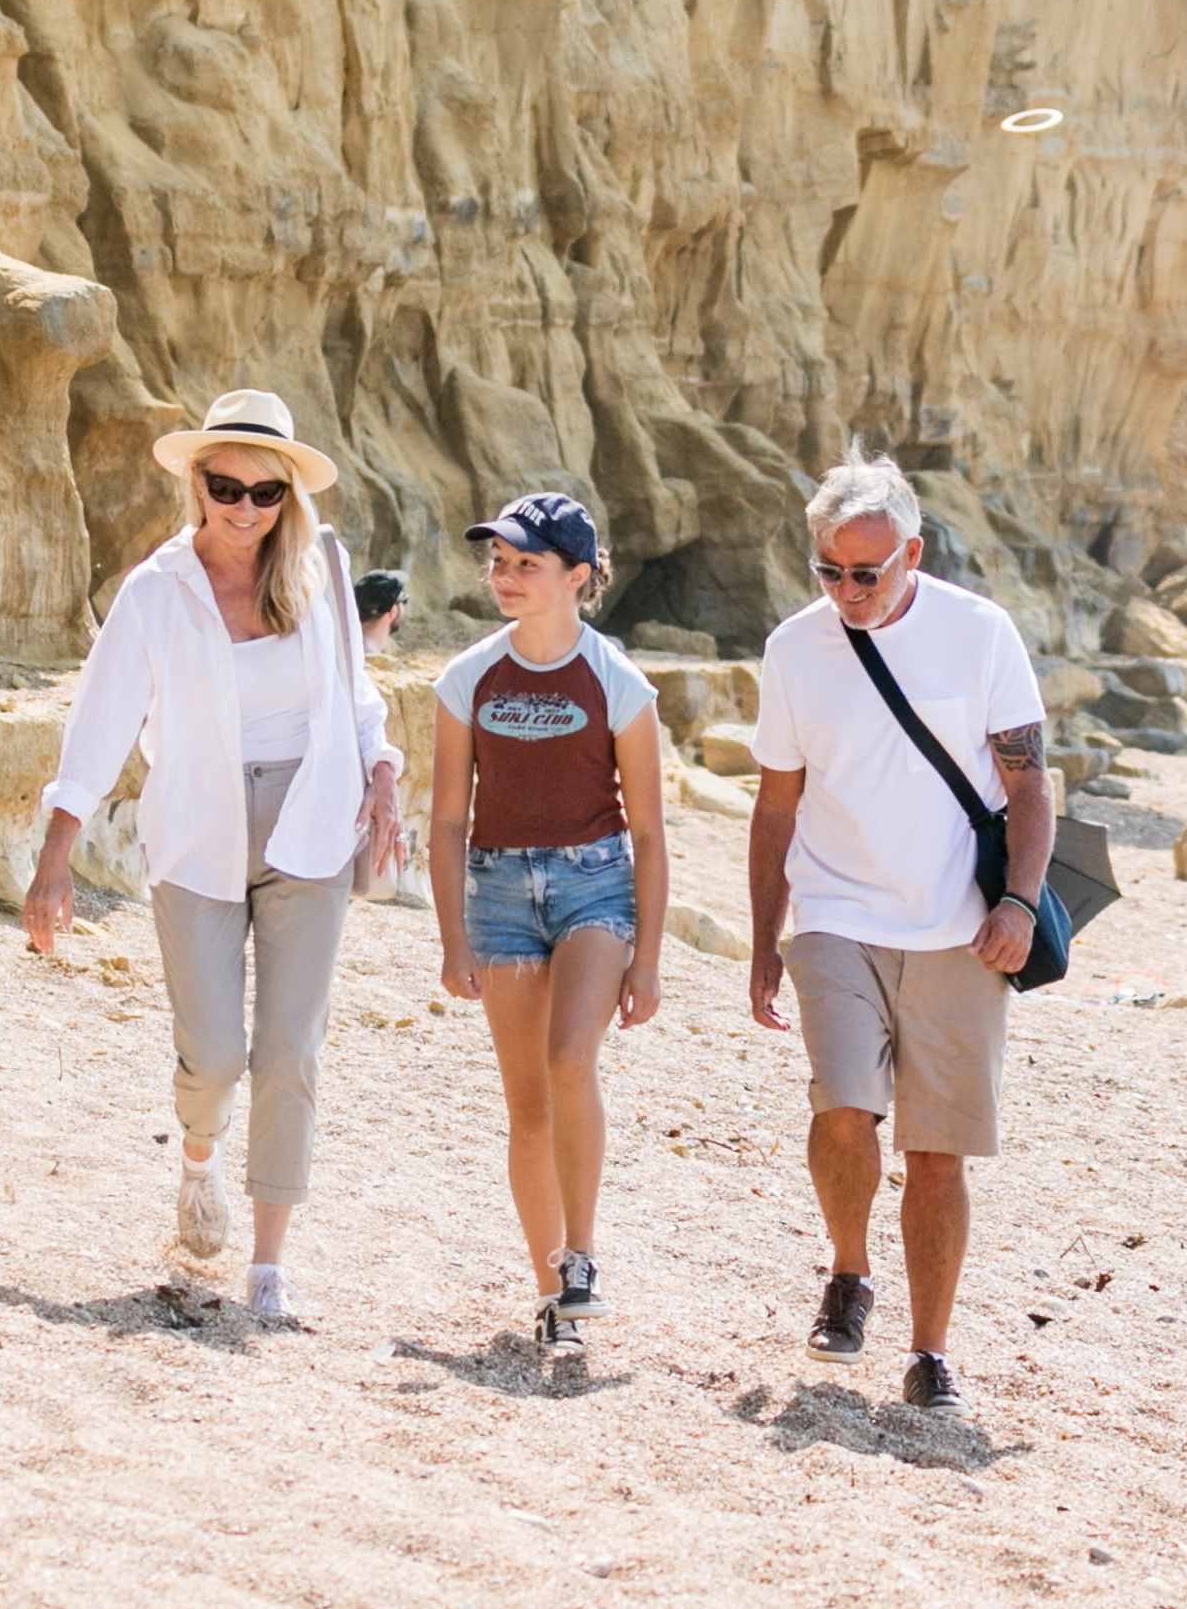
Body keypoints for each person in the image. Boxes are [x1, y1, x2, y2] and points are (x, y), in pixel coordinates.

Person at [19, 389, 402, 1321]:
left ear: (287, 497)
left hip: (309, 825)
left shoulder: (322, 572)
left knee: (289, 1052)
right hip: (195, 830)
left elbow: (356, 699)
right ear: (197, 482)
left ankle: (268, 1264)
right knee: (217, 1053)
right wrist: (55, 856)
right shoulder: (157, 589)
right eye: (224, 485)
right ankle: (198, 1159)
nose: (242, 507)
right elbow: (101, 719)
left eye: (263, 492)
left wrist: (383, 773)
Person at [745, 457, 1052, 1411]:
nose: (846, 591)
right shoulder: (795, 649)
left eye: (865, 573)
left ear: (912, 553)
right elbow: (774, 805)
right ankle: (847, 1271)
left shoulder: (980, 633)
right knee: (842, 1105)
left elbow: (1029, 785)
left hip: (959, 924)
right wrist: (766, 938)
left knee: (936, 1150)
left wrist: (1020, 903)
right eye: (828, 570)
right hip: (835, 912)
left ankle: (929, 1349)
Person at [427, 491, 669, 1367]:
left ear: (577, 577)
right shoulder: (466, 679)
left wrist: (648, 957)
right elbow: (449, 819)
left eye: (526, 563)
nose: (505, 576)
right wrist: (453, 937)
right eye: (497, 561)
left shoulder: (618, 681)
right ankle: (551, 1295)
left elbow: (647, 830)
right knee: (527, 1104)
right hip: (496, 892)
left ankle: (583, 1253)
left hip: (594, 886)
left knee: (572, 1059)